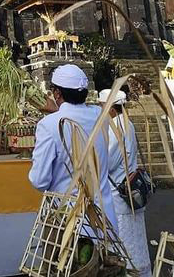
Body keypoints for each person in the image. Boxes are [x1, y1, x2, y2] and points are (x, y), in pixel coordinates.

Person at [29, 64, 117, 231]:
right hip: (104, 219)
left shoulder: (48, 125)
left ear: (57, 93)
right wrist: (57, 110)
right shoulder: (101, 116)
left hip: (69, 222)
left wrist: (55, 112)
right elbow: (79, 117)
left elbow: (39, 180)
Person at [98, 89, 152, 277]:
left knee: (125, 246)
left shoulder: (114, 128)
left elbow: (108, 164)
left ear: (110, 108)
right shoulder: (127, 123)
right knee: (137, 242)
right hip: (132, 193)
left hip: (119, 197)